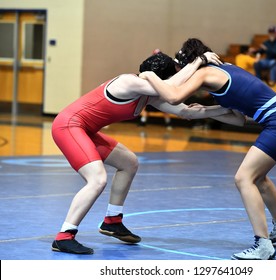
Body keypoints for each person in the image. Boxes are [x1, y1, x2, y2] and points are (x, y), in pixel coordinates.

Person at [51, 51, 238, 255]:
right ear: (160, 79)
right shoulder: (128, 82)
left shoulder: (149, 95)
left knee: (129, 163)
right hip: (68, 126)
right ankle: (64, 236)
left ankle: (112, 220)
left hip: (85, 130)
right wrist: (199, 61)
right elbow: (173, 88)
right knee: (97, 179)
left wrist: (224, 109)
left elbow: (186, 112)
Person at [140, 38, 276, 260]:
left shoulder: (205, 73)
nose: (180, 74)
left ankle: (263, 244)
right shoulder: (222, 73)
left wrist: (149, 76)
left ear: (189, 64)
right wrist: (207, 110)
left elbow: (174, 97)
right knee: (259, 178)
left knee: (244, 178)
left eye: (181, 68)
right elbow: (238, 120)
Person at [139, 49, 173, 130]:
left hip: (160, 90)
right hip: (152, 89)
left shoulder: (166, 65)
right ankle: (143, 122)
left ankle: (168, 123)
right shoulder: (150, 64)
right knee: (146, 107)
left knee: (164, 109)